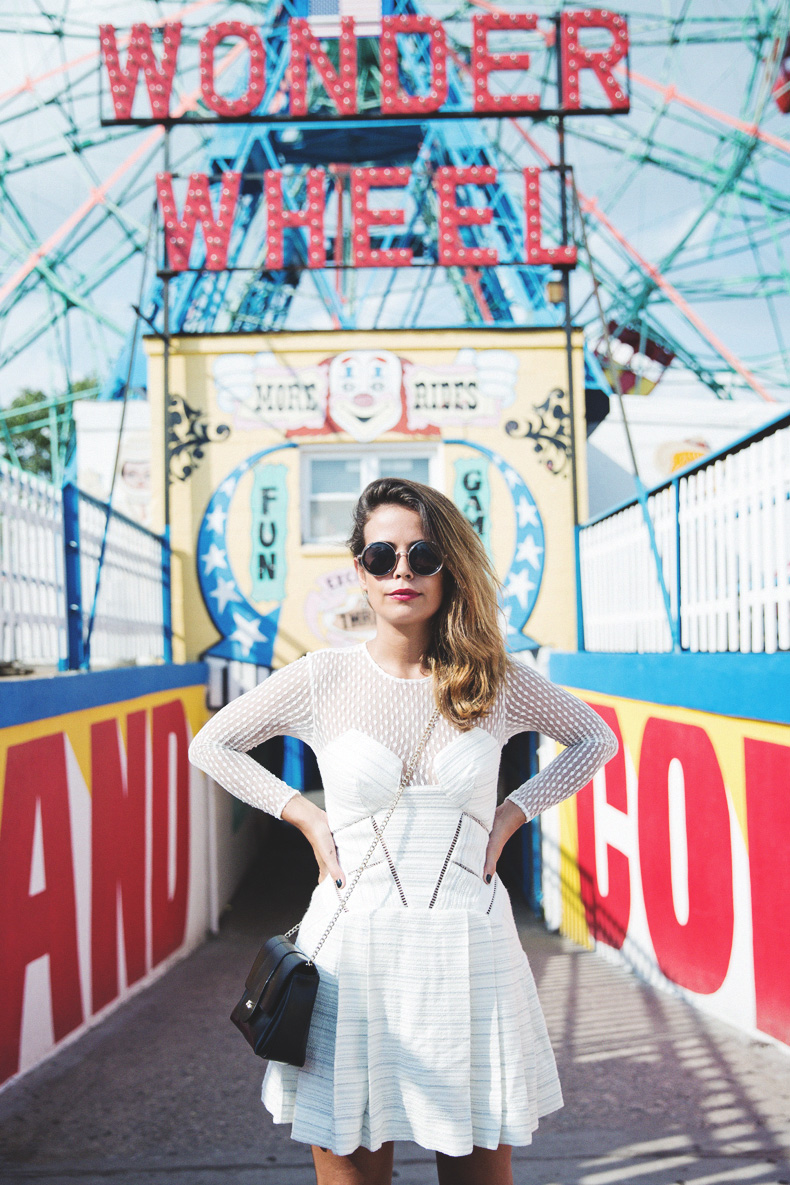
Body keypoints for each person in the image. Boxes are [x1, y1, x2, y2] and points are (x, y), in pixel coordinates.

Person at [188, 477, 619, 1185]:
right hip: (352, 951)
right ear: (359, 568)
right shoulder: (321, 676)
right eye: (382, 555)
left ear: (448, 564)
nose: (403, 572)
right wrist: (304, 813)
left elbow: (592, 740)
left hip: (467, 949)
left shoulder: (496, 678)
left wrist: (513, 812)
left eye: (422, 554)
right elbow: (213, 744)